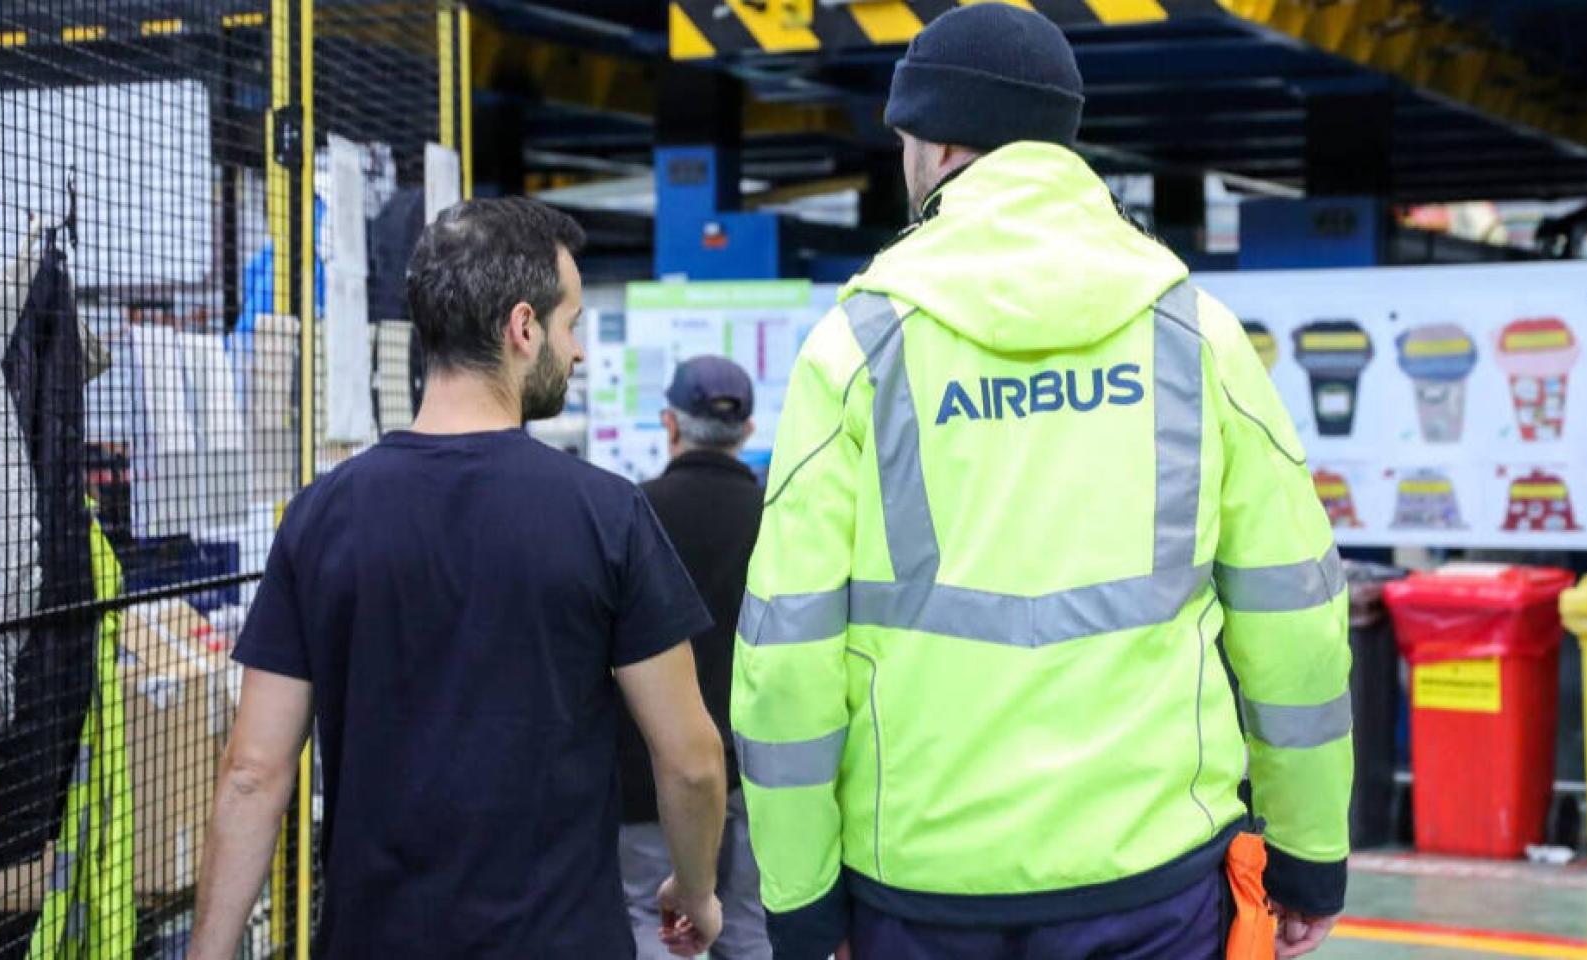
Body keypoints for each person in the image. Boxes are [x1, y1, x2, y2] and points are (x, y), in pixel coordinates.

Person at [732, 6, 1352, 960]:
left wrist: (802, 901)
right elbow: (1295, 617)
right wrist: (1310, 851)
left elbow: (788, 656)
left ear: (937, 144)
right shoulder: (1194, 332)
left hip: (919, 886)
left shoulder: (857, 348)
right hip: (1154, 880)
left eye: (902, 141)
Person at [188, 197, 729, 960]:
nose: (576, 353)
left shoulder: (320, 516)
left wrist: (205, 953)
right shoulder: (607, 515)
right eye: (569, 325)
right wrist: (695, 888)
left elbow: (253, 770)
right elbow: (691, 759)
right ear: (521, 328)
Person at [616, 356, 772, 959]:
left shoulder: (632, 512)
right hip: (760, 768)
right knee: (752, 925)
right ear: (748, 431)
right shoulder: (778, 518)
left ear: (669, 423)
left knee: (651, 918)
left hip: (650, 769)